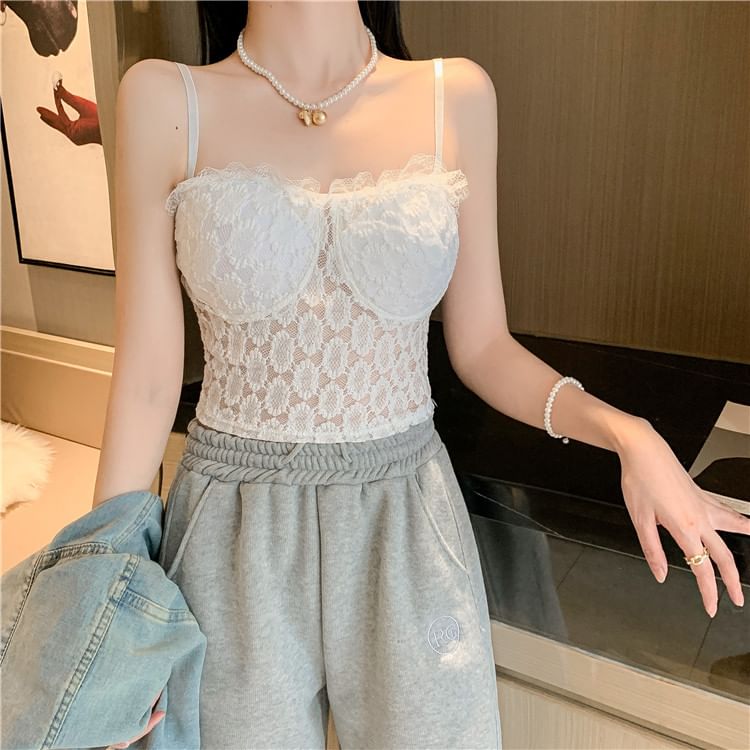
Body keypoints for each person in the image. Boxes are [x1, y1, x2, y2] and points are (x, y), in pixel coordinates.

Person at [99, 1, 750, 748]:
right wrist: (99, 602)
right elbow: (147, 381)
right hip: (230, 534)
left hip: (406, 519)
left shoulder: (455, 96)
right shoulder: (163, 99)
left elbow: (484, 346)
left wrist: (627, 433)